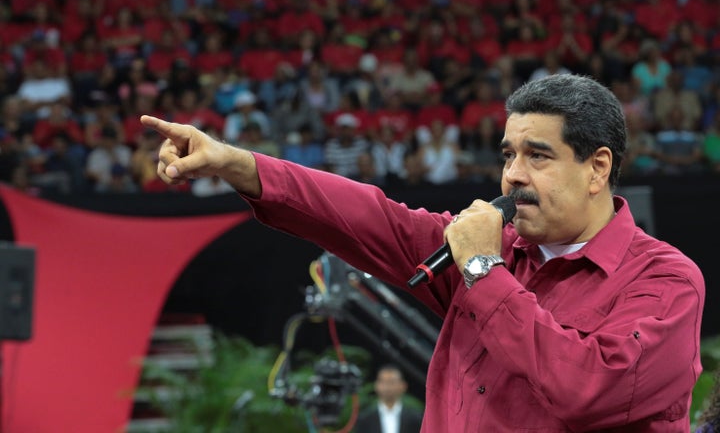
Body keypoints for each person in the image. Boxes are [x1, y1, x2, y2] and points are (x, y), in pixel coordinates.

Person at [141, 74, 705, 431]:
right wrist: (235, 163)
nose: (511, 176)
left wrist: (484, 270)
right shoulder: (485, 247)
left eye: (538, 157)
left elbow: (588, 389)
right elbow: (367, 217)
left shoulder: (665, 281)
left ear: (597, 168)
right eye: (508, 155)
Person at [354, 364, 423, 433]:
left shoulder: (415, 419)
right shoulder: (365, 419)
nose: (387, 387)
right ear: (376, 385)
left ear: (403, 386)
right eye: (383, 382)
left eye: (391, 382)